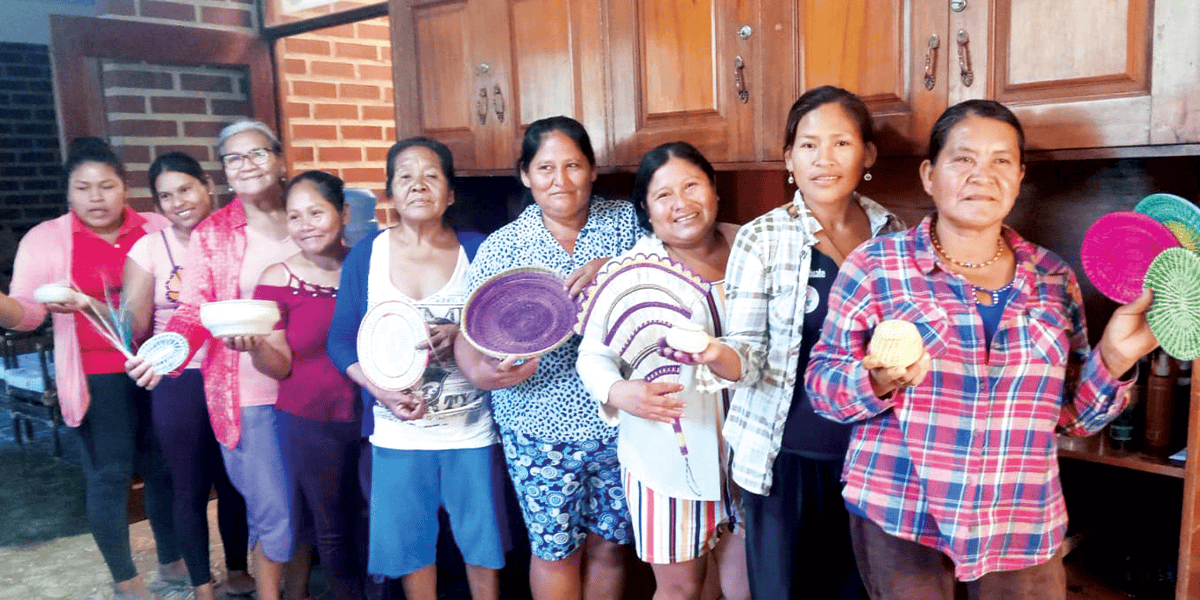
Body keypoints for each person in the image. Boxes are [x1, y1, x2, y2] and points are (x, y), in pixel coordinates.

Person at [805, 99, 1159, 599]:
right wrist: (877, 380)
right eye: (964, 159)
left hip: (1020, 521)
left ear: (1019, 177)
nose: (982, 175)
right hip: (902, 513)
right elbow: (823, 388)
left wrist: (1116, 358)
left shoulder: (1053, 278)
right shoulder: (876, 265)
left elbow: (1074, 418)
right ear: (929, 175)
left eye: (1001, 161)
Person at [672, 86, 903, 600]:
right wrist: (714, 353)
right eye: (809, 145)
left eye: (841, 143)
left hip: (871, 457)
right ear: (789, 159)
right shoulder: (763, 237)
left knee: (860, 591)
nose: (824, 159)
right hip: (782, 458)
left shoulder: (894, 236)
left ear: (866, 154)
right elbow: (746, 354)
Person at [455, 116, 641, 600]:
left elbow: (673, 264)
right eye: (545, 168)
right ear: (525, 175)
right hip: (538, 425)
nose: (560, 180)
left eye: (573, 166)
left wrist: (615, 266)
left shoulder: (627, 223)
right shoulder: (503, 246)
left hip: (621, 418)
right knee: (555, 550)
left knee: (610, 546)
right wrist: (487, 373)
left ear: (593, 169)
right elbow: (467, 335)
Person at [126, 120, 310, 600]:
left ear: (280, 159)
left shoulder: (309, 215)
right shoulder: (214, 233)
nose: (246, 165)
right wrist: (166, 354)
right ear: (224, 171)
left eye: (257, 153)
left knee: (308, 504)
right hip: (248, 393)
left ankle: (298, 591)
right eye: (233, 158)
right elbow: (192, 312)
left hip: (312, 383)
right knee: (273, 510)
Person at [1, 137, 185, 599]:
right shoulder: (46, 239)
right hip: (94, 372)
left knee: (164, 468)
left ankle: (173, 562)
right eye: (83, 188)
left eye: (106, 186)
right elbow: (29, 313)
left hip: (159, 366)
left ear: (125, 188)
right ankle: (127, 581)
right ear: (68, 192)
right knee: (109, 475)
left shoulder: (156, 227)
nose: (95, 198)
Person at [327, 137, 505, 600]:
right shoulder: (368, 254)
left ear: (450, 192)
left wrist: (461, 334)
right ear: (389, 192)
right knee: (410, 548)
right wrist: (379, 390)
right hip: (397, 432)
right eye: (405, 176)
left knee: (482, 546)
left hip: (472, 429)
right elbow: (340, 341)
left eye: (431, 175)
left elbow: (501, 327)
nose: (418, 185)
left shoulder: (478, 250)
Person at [576, 142, 749, 600]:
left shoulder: (752, 246)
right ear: (646, 210)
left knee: (744, 587)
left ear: (714, 190)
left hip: (750, 456)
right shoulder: (631, 272)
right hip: (668, 458)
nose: (681, 203)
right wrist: (619, 392)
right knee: (680, 590)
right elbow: (591, 356)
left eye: (692, 186)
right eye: (664, 195)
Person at [122, 152, 254, 600]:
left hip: (235, 371)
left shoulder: (235, 236)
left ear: (207, 187)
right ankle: (202, 584)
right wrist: (114, 313)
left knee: (234, 481)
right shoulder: (149, 249)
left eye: (185, 189)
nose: (178, 202)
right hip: (179, 379)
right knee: (190, 485)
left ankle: (238, 570)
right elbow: (136, 326)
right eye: (165, 196)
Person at [249, 170, 364, 600]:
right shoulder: (275, 279)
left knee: (374, 518)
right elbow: (279, 367)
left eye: (316, 213)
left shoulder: (367, 266)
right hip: (308, 421)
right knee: (331, 527)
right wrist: (254, 348)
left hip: (375, 413)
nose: (305, 225)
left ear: (344, 213)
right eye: (295, 217)